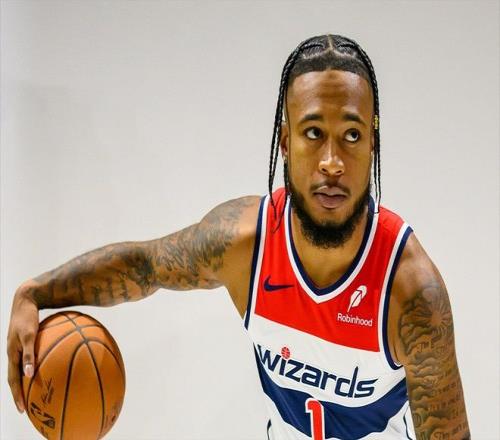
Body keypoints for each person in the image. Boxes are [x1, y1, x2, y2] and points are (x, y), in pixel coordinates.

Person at [7, 34, 470, 440]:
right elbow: (146, 266)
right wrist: (34, 293)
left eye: (351, 135)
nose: (331, 161)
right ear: (285, 143)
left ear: (372, 145)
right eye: (313, 133)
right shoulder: (245, 243)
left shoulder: (410, 292)